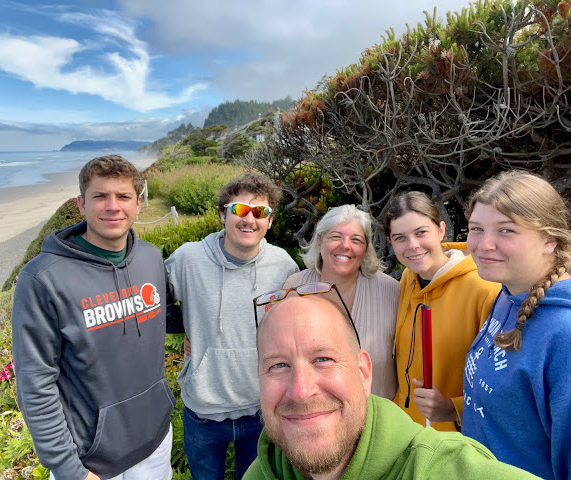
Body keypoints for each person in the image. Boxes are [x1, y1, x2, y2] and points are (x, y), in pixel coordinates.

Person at [243, 292, 539, 480]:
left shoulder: (442, 468)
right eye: (278, 365)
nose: (300, 390)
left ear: (363, 372)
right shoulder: (262, 471)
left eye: (323, 359)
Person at [12, 155, 175, 480]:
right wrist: (69, 469)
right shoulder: (43, 279)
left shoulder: (151, 258)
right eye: (100, 196)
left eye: (124, 196)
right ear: (81, 204)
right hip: (90, 460)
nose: (113, 206)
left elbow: (167, 316)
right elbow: (35, 383)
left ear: (139, 204)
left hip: (156, 440)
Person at [165, 171, 299, 479]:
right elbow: (153, 301)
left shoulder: (284, 266)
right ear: (223, 214)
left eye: (259, 212)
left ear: (270, 220)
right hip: (202, 410)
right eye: (239, 209)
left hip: (259, 408)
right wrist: (185, 326)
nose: (249, 219)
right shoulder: (189, 258)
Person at [462, 171, 571, 480]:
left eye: (506, 230)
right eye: (477, 228)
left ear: (549, 240)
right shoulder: (508, 292)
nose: (484, 244)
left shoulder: (564, 335)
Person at [381, 191, 499, 431]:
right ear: (391, 242)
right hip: (408, 432)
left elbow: (503, 384)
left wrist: (453, 408)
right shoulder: (408, 277)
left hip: (455, 442)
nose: (413, 245)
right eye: (400, 237)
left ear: (441, 230)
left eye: (421, 232)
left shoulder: (484, 289)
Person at [282, 204, 399, 399]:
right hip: (314, 414)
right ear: (319, 243)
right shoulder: (295, 287)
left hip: (378, 417)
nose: (345, 245)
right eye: (336, 237)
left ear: (365, 249)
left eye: (356, 239)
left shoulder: (391, 292)